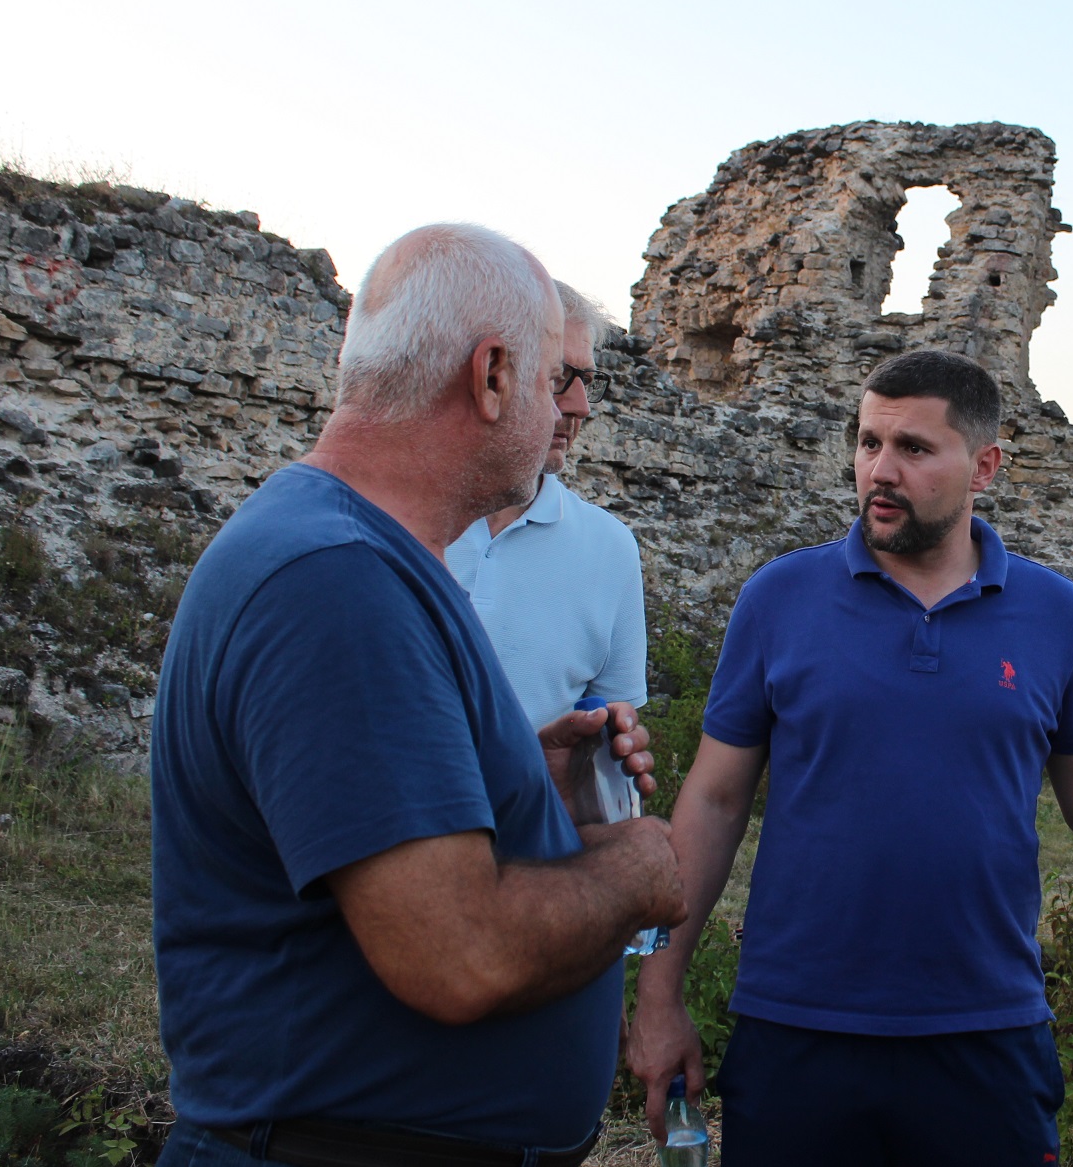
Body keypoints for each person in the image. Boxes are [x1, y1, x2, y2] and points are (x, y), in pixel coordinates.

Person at [626, 349, 1073, 1167]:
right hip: (798, 1027)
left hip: (985, 1029)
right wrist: (659, 993)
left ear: (984, 466)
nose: (880, 470)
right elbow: (713, 802)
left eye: (913, 447)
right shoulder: (779, 597)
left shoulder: (1057, 614)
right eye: (868, 442)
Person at [151, 224, 686, 1167]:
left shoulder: (352, 552)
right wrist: (638, 870)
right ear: (492, 376)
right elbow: (458, 954)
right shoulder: (339, 579)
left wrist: (528, 795)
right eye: (549, 380)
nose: (568, 410)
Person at [445, 281, 646, 732]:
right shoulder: (393, 521)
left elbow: (610, 735)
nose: (581, 408)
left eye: (587, 382)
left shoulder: (609, 548)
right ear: (488, 373)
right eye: (558, 377)